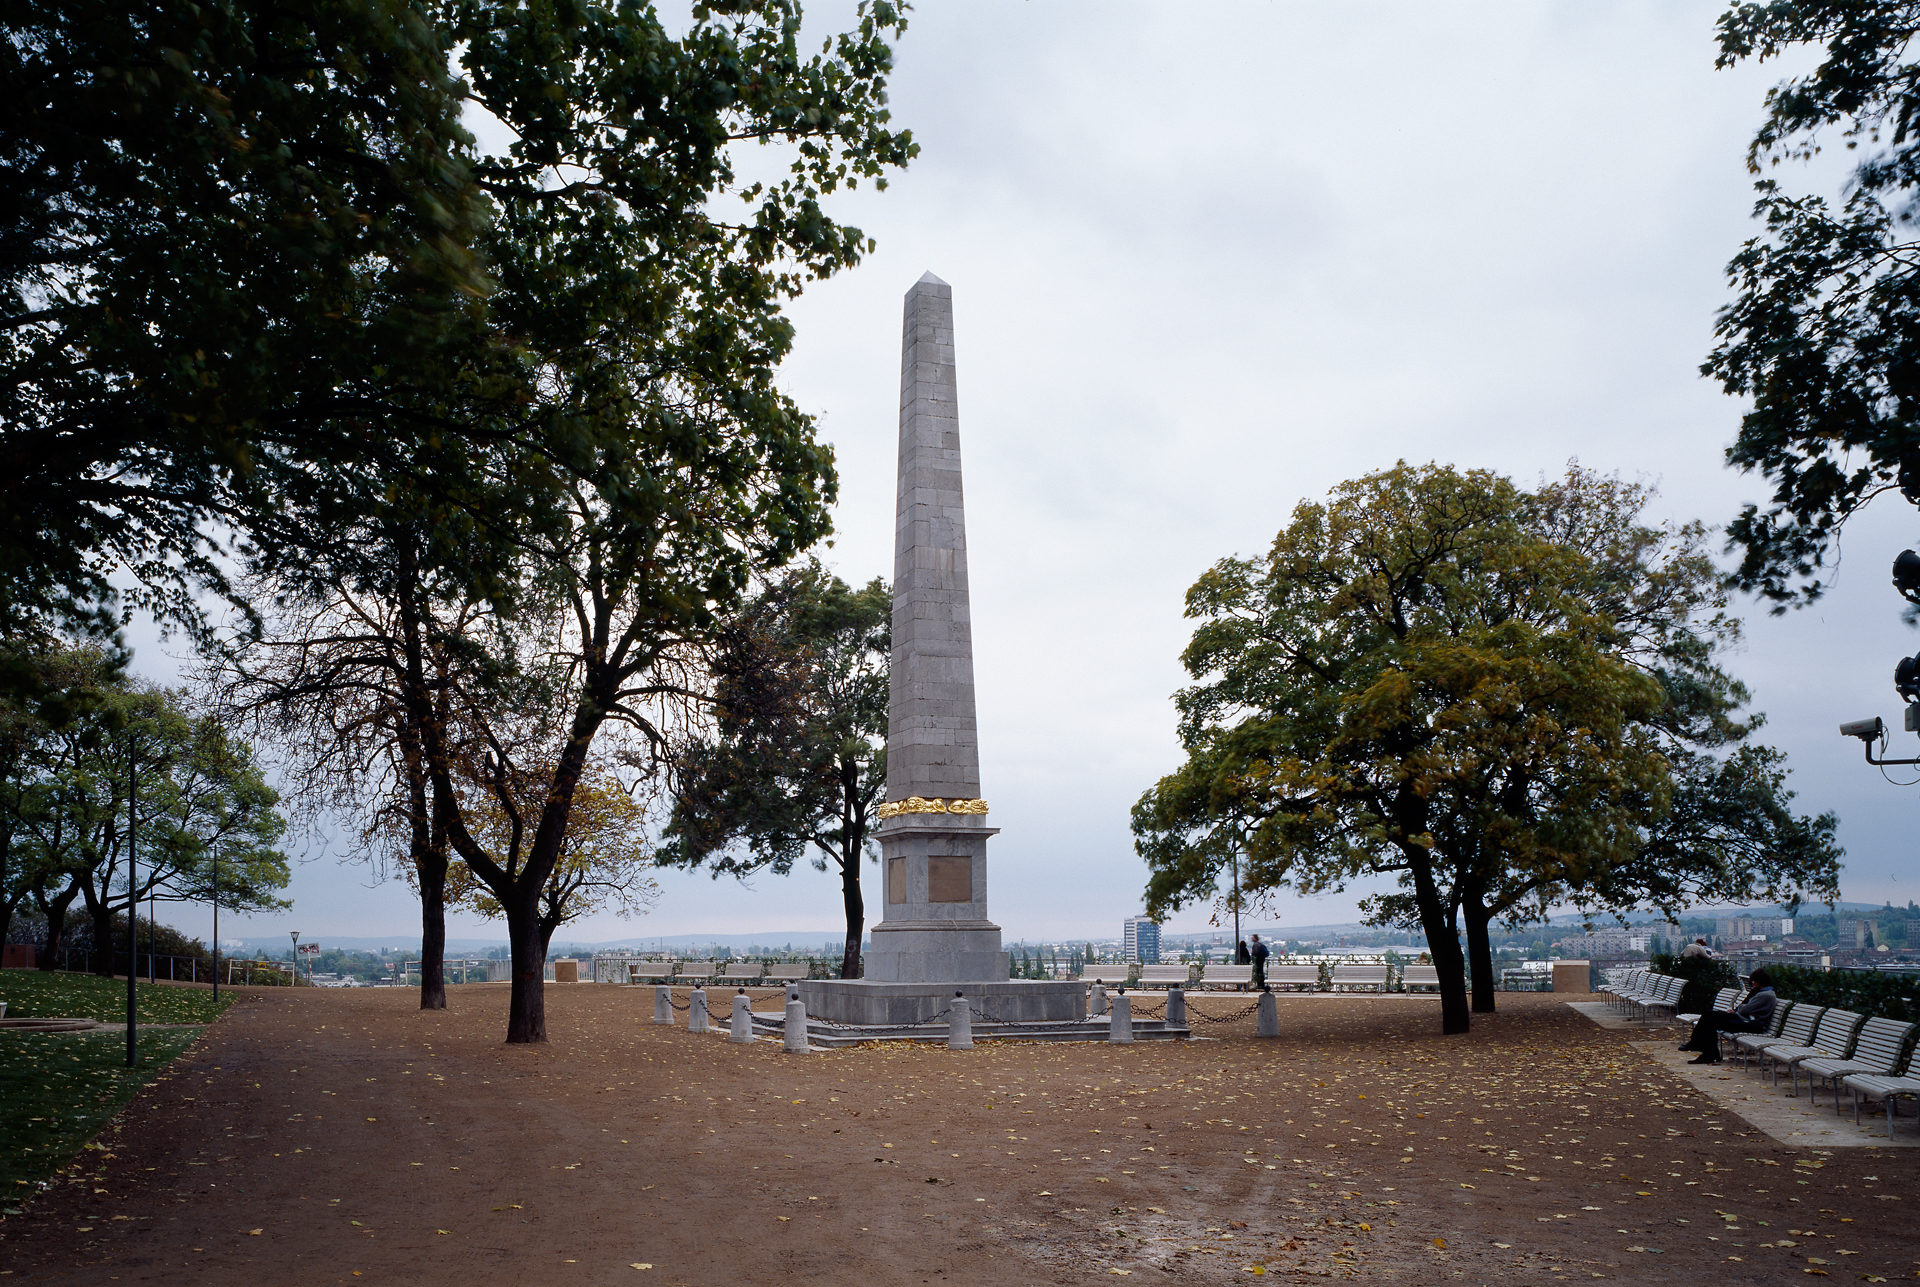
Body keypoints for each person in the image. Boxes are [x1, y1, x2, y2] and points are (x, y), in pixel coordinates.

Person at [1677, 967, 1776, 1065]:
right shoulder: (1761, 992)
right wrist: (1742, 1008)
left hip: (1751, 1025)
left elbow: (1744, 1009)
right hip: (1745, 1020)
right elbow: (1745, 1008)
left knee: (1711, 1021)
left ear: (1761, 981)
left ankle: (1705, 1051)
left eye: (1754, 981)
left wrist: (1741, 1008)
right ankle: (1705, 1051)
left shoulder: (1765, 995)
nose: (1752, 983)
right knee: (1708, 1014)